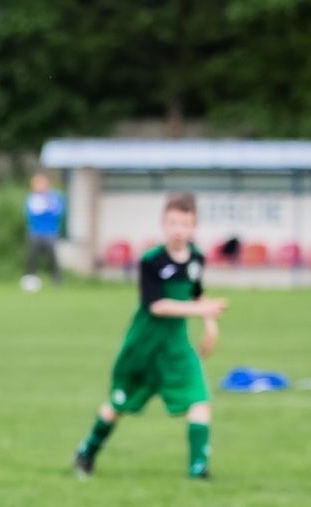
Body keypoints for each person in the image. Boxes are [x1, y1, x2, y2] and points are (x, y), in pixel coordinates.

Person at [73, 192, 225, 481]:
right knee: (118, 405)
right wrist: (200, 310)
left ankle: (198, 470)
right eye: (172, 223)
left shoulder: (196, 258)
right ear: (163, 224)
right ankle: (86, 452)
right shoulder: (151, 261)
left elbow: (197, 293)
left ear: (194, 227)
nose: (178, 230)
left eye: (185, 224)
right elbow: (157, 306)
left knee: (199, 399)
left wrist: (210, 325)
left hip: (176, 345)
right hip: (145, 345)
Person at [22, 172, 65, 289]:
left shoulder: (55, 197)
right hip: (34, 231)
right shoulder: (32, 197)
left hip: (51, 231)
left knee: (52, 256)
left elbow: (58, 212)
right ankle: (29, 278)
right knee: (31, 256)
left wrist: (44, 212)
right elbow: (30, 213)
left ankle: (56, 280)